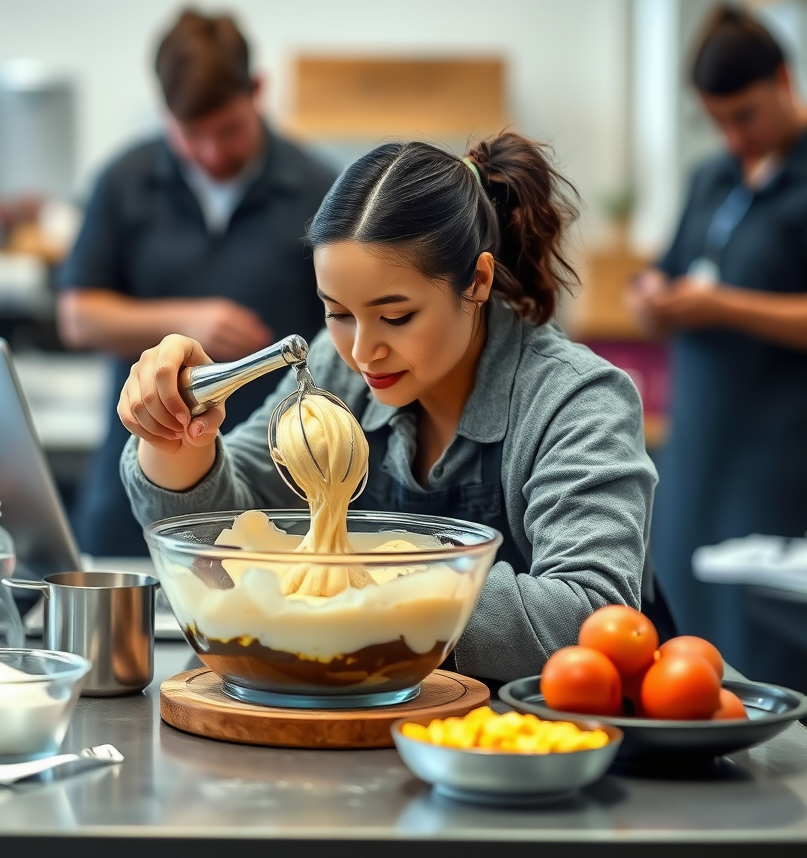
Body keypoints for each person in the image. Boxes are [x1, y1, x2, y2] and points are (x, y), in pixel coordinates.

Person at [117, 135, 657, 683]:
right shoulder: (338, 370)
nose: (361, 351)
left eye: (396, 317)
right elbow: (216, 543)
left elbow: (593, 613)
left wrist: (374, 575)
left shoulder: (576, 401)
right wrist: (176, 437)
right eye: (338, 312)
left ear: (478, 281)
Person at [58, 9, 335, 557]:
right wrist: (185, 323)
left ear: (257, 90)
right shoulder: (123, 181)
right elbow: (76, 315)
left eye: (228, 130)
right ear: (164, 113)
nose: (212, 153)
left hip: (278, 496)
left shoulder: (320, 189)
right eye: (192, 135)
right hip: (134, 491)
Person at [628, 5, 807, 688]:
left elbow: (719, 298)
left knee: (763, 628)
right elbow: (671, 271)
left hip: (780, 449)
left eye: (747, 116)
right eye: (719, 121)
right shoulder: (713, 177)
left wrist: (720, 305)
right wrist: (654, 299)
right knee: (688, 622)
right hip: (700, 438)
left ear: (785, 80)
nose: (734, 135)